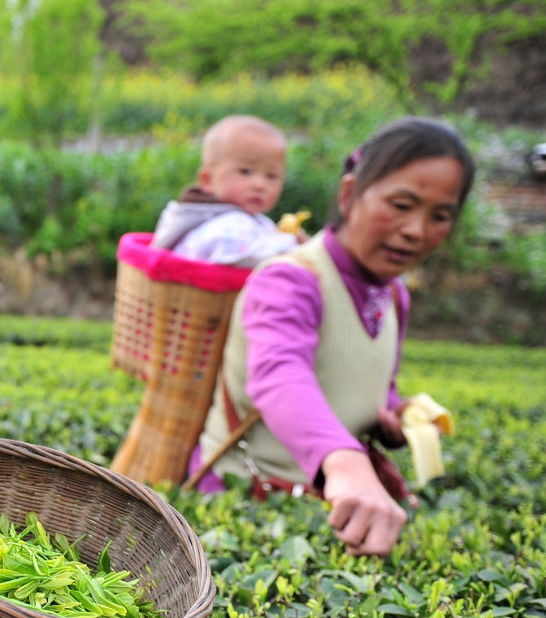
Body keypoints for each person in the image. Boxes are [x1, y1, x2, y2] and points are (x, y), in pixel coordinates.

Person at [190, 117, 476, 557]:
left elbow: (367, 382)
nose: (417, 230)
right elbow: (279, 375)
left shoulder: (394, 294)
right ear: (349, 195)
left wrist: (393, 418)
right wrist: (344, 461)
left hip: (328, 506)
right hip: (242, 504)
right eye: (401, 205)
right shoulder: (290, 279)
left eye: (440, 216)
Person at [151, 115, 303, 267]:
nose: (260, 185)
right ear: (208, 180)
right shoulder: (225, 224)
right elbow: (253, 257)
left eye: (272, 176)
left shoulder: (248, 219)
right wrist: (295, 246)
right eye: (245, 172)